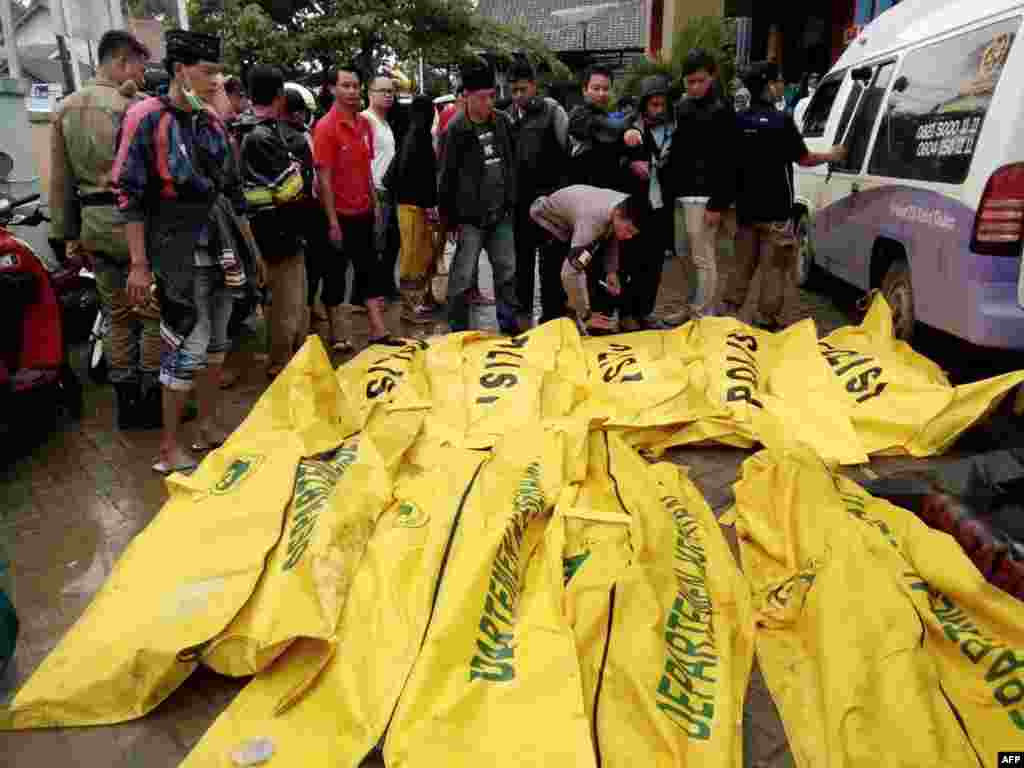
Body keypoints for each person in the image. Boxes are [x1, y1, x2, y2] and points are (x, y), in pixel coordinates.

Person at [115, 29, 253, 474]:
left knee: (217, 344)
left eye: (219, 73)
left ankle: (207, 427)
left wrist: (250, 251)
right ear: (179, 70)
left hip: (220, 246)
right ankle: (168, 448)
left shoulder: (210, 122)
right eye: (208, 72)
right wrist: (139, 264)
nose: (216, 81)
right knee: (187, 346)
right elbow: (129, 196)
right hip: (177, 251)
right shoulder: (145, 117)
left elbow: (231, 190)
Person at [50, 29, 159, 430]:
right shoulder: (138, 106)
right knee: (151, 315)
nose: (142, 76)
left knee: (116, 316)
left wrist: (66, 235)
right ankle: (151, 400)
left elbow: (60, 181)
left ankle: (125, 403)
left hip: (93, 226)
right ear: (121, 61)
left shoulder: (65, 108)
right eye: (139, 67)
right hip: (135, 226)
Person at [729, 61, 846, 329]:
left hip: (746, 211)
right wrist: (832, 155)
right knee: (774, 268)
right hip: (777, 212)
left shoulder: (738, 120)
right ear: (769, 86)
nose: (782, 85)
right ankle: (765, 321)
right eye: (779, 81)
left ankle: (729, 318)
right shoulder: (781, 121)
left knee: (742, 265)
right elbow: (804, 158)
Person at [438, 59, 521, 334]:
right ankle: (458, 330)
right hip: (470, 218)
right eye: (482, 97)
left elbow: (512, 162)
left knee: (507, 271)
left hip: (501, 213)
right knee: (462, 276)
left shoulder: (503, 122)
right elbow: (446, 178)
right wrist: (449, 220)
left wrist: (512, 199)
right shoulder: (455, 130)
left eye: (491, 96)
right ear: (467, 96)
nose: (488, 103)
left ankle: (508, 327)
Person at [236, 64, 307, 378]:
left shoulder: (244, 128)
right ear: (279, 95)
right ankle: (281, 366)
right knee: (285, 305)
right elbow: (290, 189)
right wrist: (298, 170)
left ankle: (286, 360)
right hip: (277, 233)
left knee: (281, 302)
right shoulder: (262, 136)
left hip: (264, 230)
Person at [313, 63, 392, 346]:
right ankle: (339, 333)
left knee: (369, 269)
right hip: (337, 214)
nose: (351, 91)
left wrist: (375, 205)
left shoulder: (364, 125)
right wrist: (332, 222)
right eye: (345, 85)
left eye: (355, 86)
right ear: (332, 89)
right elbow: (324, 180)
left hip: (364, 211)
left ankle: (378, 330)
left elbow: (366, 169)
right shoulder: (325, 128)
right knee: (335, 274)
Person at [663, 49, 738, 322]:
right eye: (690, 81)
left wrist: (718, 202)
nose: (695, 87)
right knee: (683, 254)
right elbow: (677, 151)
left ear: (712, 77)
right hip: (680, 194)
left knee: (702, 257)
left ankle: (703, 313)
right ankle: (691, 306)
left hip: (706, 197)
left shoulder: (722, 110)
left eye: (700, 81)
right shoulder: (681, 108)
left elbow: (730, 160)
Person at [530, 186, 650, 335]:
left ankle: (576, 312)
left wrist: (611, 271)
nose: (629, 236)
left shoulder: (623, 205)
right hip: (548, 220)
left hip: (577, 215)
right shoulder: (592, 223)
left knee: (585, 266)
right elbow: (570, 273)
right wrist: (586, 316)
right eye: (629, 230)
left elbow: (611, 234)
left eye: (633, 233)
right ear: (618, 214)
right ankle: (555, 322)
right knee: (557, 277)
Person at [506, 59, 569, 327]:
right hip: (519, 203)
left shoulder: (553, 111)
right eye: (514, 90)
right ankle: (522, 314)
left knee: (551, 261)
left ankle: (552, 315)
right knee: (521, 260)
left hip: (549, 202)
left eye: (523, 89)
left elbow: (568, 151)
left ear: (534, 86)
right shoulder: (507, 116)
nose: (518, 95)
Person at [620, 74, 676, 331]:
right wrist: (629, 164)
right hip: (635, 205)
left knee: (654, 263)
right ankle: (627, 313)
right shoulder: (630, 128)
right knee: (630, 260)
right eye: (653, 105)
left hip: (661, 205)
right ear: (643, 104)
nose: (658, 110)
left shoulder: (673, 127)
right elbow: (614, 159)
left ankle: (646, 311)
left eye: (662, 104)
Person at [282, 85, 337, 339]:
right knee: (311, 266)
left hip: (296, 210)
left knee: (309, 267)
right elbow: (311, 176)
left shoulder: (299, 134)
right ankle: (304, 321)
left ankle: (309, 311)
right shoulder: (297, 138)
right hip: (307, 209)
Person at [385, 94, 440, 324]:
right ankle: (410, 305)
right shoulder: (419, 137)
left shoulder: (413, 134)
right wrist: (430, 205)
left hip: (411, 205)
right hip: (413, 207)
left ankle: (420, 299)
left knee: (419, 253)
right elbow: (421, 177)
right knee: (413, 255)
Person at [358, 74, 401, 303]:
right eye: (382, 91)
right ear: (369, 93)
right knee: (376, 246)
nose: (388, 95)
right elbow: (363, 161)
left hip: (389, 192)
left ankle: (386, 287)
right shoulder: (365, 120)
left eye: (391, 91)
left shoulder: (384, 122)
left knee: (391, 244)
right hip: (375, 192)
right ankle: (373, 295)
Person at [567, 65, 643, 191]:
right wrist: (630, 125)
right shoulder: (578, 116)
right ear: (585, 90)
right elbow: (607, 128)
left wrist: (633, 133)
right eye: (596, 88)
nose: (601, 93)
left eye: (606, 89)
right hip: (584, 193)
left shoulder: (606, 117)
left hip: (610, 193)